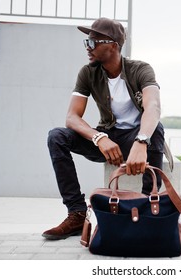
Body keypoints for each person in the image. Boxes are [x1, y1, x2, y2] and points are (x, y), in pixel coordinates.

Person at [42, 17, 165, 240]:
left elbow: (153, 108)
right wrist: (98, 137)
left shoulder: (140, 69)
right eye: (86, 43)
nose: (88, 48)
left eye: (93, 42)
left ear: (114, 45)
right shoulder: (88, 73)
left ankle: (148, 209)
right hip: (107, 137)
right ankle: (77, 213)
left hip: (135, 137)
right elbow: (72, 117)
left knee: (156, 130)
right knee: (57, 137)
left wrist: (141, 140)